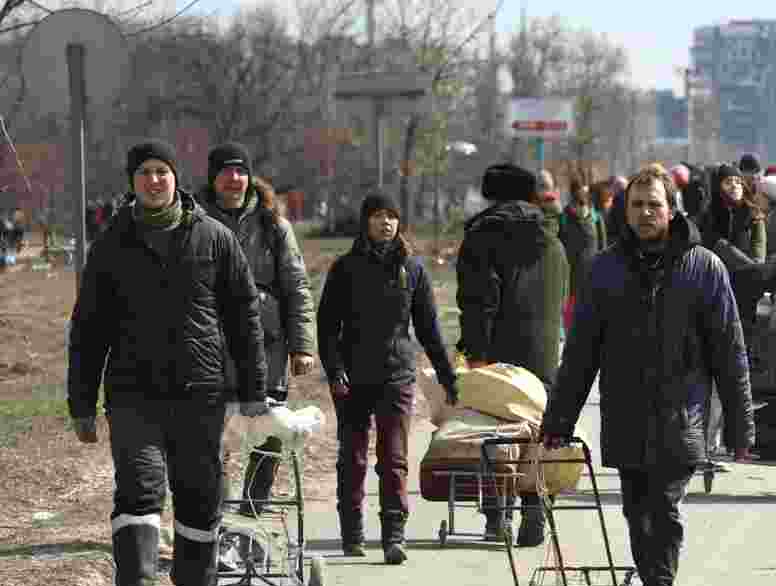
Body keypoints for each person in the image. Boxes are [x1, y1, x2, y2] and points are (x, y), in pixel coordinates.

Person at [538, 166, 753, 586]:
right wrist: (559, 420)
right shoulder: (605, 269)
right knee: (637, 509)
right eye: (636, 205)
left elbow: (729, 351)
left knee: (665, 504)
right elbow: (580, 353)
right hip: (626, 409)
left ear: (671, 208)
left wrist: (740, 425)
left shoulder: (703, 266)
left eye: (654, 204)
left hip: (683, 411)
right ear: (624, 210)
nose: (645, 213)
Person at [67, 140, 268, 586]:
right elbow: (88, 328)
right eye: (145, 173)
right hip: (133, 390)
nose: (154, 180)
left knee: (200, 492)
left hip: (200, 389)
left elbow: (245, 318)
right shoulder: (113, 242)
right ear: (132, 182)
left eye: (162, 171)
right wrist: (81, 402)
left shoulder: (215, 238)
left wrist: (253, 389)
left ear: (176, 178)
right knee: (139, 486)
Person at [318, 190, 457, 564]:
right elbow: (327, 328)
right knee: (353, 458)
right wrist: (334, 370)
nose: (386, 222)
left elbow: (429, 328)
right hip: (352, 377)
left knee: (394, 458)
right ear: (366, 221)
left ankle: (394, 535)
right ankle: (352, 533)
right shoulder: (344, 269)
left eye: (392, 216)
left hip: (396, 375)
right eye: (378, 216)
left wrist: (447, 375)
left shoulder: (412, 269)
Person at [197, 142, 316, 523]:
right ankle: (216, 524)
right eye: (226, 171)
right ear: (213, 178)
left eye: (241, 171)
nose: (234, 178)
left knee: (269, 437)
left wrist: (302, 345)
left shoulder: (273, 225)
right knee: (214, 444)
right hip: (209, 351)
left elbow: (297, 286)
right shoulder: (194, 223)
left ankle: (250, 518)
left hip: (269, 353)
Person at [456, 163, 569, 547]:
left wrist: (475, 351)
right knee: (538, 429)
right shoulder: (552, 236)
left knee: (496, 428)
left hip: (498, 348)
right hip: (544, 350)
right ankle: (535, 510)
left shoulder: (483, 236)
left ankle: (496, 515)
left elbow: (477, 301)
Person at [559, 174, 607, 331]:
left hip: (575, 275)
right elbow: (604, 248)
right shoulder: (593, 217)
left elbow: (604, 248)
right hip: (583, 275)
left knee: (575, 314)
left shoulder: (566, 216)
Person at [701, 163, 767, 269]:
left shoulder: (754, 213)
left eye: (738, 182)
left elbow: (759, 245)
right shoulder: (709, 214)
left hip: (749, 275)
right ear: (719, 187)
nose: (734, 186)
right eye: (728, 182)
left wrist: (755, 269)